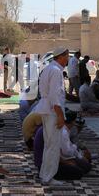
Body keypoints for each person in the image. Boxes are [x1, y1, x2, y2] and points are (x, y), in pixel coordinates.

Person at [36, 47, 69, 186]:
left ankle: (45, 174)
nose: (68, 59)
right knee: (53, 145)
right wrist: (60, 115)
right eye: (67, 56)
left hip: (46, 109)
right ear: (61, 57)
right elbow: (55, 96)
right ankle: (48, 177)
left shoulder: (49, 69)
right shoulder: (56, 71)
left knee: (49, 144)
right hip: (52, 111)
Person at [34, 111, 92, 181]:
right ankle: (49, 175)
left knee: (83, 166)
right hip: (46, 165)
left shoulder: (48, 128)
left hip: (47, 162)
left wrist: (70, 160)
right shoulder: (51, 131)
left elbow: (57, 152)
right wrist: (68, 162)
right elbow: (55, 153)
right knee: (79, 172)